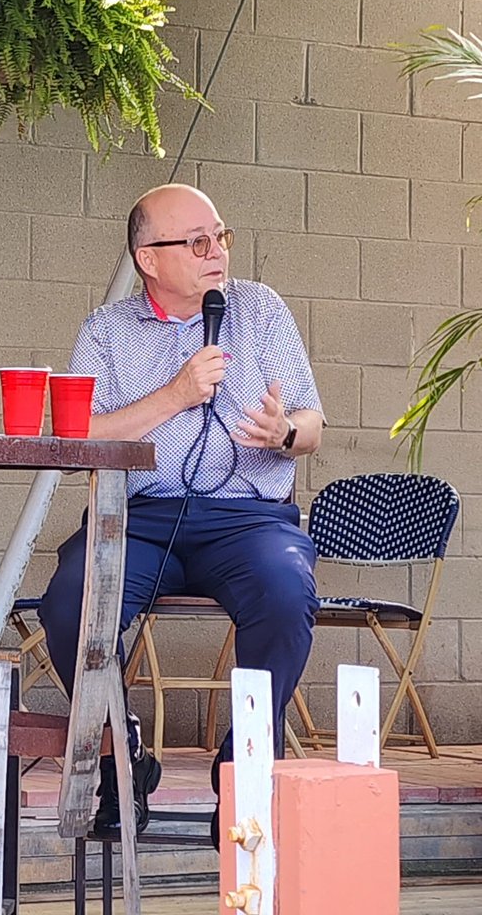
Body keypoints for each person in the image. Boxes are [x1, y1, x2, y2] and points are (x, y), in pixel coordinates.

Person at [39, 183, 323, 846]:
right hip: (139, 518)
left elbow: (312, 423)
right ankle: (121, 753)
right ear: (148, 258)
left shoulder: (260, 308)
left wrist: (284, 432)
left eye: (220, 236)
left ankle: (242, 767)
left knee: (286, 595)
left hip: (247, 521)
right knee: (69, 603)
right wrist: (174, 394)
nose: (215, 251)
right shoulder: (106, 330)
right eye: (196, 242)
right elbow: (77, 436)